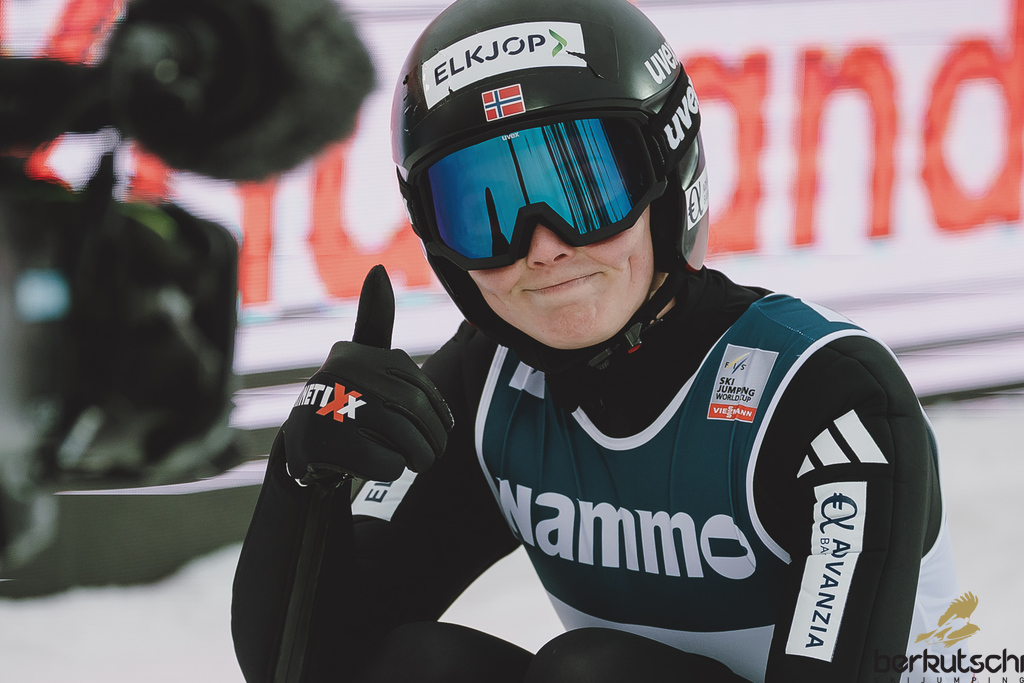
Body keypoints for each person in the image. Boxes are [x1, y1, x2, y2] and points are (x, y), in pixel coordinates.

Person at [231, 0, 961, 681]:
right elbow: (313, 667)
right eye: (485, 209)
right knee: (417, 667)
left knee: (590, 671)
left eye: (583, 191)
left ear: (668, 178)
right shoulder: (492, 385)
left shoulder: (826, 398)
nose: (542, 247)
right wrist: (303, 479)